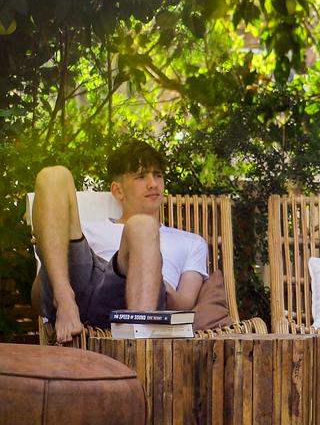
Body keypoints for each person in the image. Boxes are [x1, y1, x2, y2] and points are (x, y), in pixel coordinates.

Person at [32, 140, 210, 344]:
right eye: (141, 177)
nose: (153, 184)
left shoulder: (191, 242)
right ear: (118, 190)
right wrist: (50, 258)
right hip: (76, 291)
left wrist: (158, 279)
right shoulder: (86, 228)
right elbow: (38, 300)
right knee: (52, 175)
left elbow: (184, 304)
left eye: (158, 175)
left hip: (133, 300)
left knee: (142, 225)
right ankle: (64, 300)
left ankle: (139, 345)